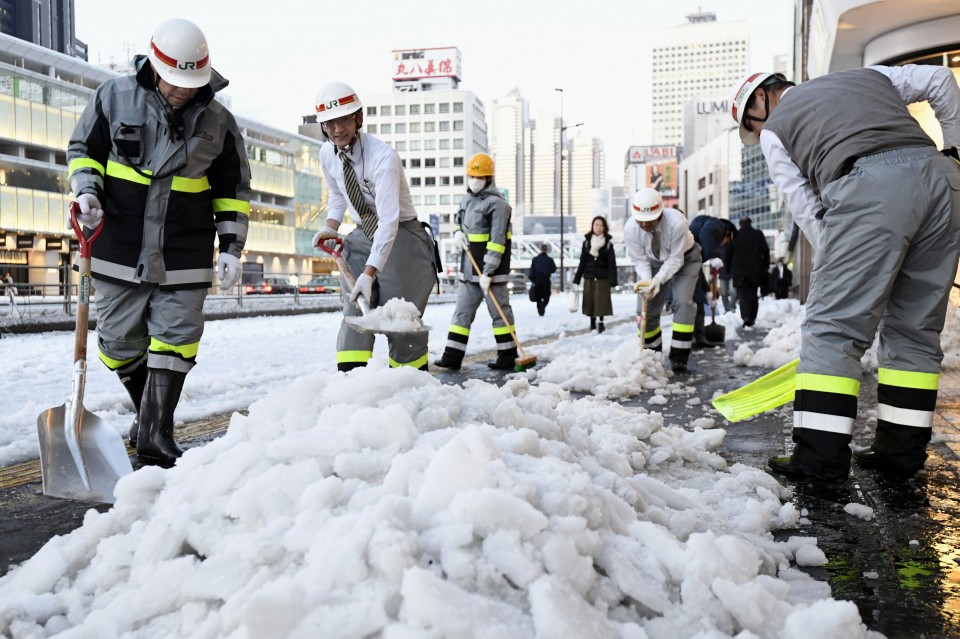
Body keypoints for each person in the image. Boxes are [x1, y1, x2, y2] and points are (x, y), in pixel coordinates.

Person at [730, 65, 960, 481]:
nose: (757, 126)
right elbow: (942, 81)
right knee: (915, 329)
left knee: (831, 328)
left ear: (761, 98)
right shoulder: (867, 75)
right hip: (943, 185)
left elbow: (804, 206)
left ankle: (818, 461)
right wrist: (956, 152)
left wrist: (843, 262)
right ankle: (899, 455)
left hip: (870, 189)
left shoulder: (774, 131)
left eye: (752, 120)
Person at [66, 18, 251, 467]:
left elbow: (233, 189)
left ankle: (155, 433)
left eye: (191, 83)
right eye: (175, 82)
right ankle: (150, 415)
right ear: (153, 65)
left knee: (177, 335)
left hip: (184, 248)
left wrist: (230, 247)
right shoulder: (113, 97)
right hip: (118, 243)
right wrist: (87, 191)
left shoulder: (219, 121)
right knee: (117, 342)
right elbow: (83, 151)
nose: (183, 91)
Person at [312, 81, 437, 372]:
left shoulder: (383, 158)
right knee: (354, 312)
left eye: (343, 119)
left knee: (401, 319)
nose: (337, 129)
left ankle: (408, 386)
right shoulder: (327, 154)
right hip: (361, 234)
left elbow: (389, 220)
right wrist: (331, 227)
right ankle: (352, 384)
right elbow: (338, 193)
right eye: (329, 124)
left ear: (359, 118)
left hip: (403, 237)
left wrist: (369, 272)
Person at [434, 153, 517, 371]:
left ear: (489, 179)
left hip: (492, 274)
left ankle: (508, 357)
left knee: (500, 316)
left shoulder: (498, 205)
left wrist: (488, 272)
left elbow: (497, 242)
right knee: (461, 314)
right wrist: (457, 233)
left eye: (479, 177)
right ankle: (451, 358)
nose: (475, 180)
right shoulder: (466, 200)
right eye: (472, 176)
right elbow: (458, 223)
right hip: (469, 271)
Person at [624, 188, 702, 372]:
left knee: (683, 302)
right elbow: (639, 259)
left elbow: (675, 260)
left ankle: (679, 358)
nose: (644, 226)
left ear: (659, 214)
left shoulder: (677, 222)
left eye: (649, 221)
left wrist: (658, 280)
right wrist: (647, 280)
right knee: (644, 308)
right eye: (640, 221)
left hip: (686, 257)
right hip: (653, 262)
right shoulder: (631, 229)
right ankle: (652, 355)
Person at [689, 215, 737, 346]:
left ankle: (697, 336)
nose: (723, 244)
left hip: (690, 261)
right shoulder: (717, 225)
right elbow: (706, 232)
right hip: (688, 259)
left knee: (699, 294)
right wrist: (712, 257)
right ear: (728, 233)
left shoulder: (707, 228)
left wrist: (706, 286)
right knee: (696, 297)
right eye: (726, 242)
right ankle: (697, 337)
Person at [572, 216, 617, 333]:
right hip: (589, 276)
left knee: (601, 301)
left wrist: (613, 280)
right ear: (592, 226)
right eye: (596, 225)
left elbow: (612, 264)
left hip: (603, 277)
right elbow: (582, 262)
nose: (599, 227)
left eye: (601, 225)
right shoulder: (586, 243)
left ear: (604, 227)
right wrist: (576, 280)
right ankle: (592, 322)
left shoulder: (608, 244)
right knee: (590, 300)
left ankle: (601, 322)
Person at [730, 217, 770, 328]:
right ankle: (751, 317)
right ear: (750, 223)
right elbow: (766, 251)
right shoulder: (758, 234)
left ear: (740, 225)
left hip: (740, 271)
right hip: (755, 270)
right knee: (753, 294)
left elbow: (729, 252)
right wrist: (765, 266)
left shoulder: (736, 235)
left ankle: (746, 316)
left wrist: (729, 268)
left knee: (742, 295)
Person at [528, 243, 556, 316]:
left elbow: (531, 271)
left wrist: (533, 279)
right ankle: (543, 306)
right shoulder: (550, 260)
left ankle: (540, 310)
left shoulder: (535, 259)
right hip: (546, 280)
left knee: (538, 297)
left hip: (537, 280)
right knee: (547, 295)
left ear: (540, 249)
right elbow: (553, 269)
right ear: (547, 250)